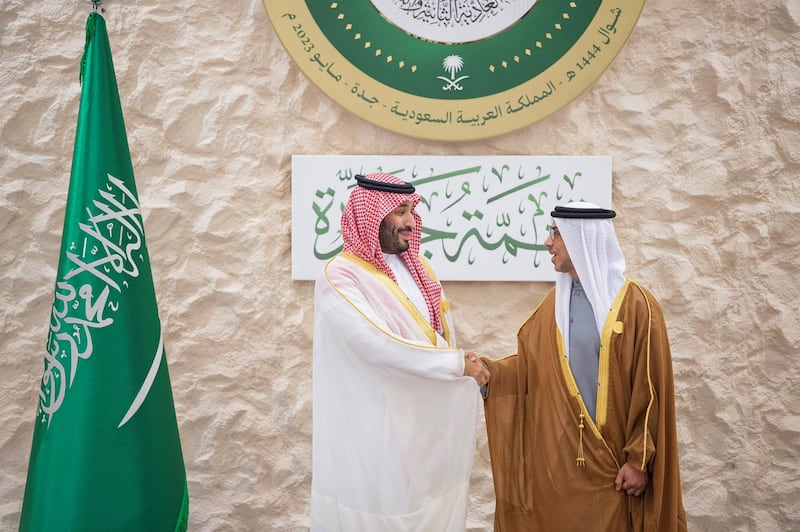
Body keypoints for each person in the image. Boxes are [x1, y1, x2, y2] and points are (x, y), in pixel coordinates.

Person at [482, 202, 686, 531]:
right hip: (562, 467)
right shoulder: (553, 305)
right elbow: (535, 368)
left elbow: (649, 389)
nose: (548, 242)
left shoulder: (636, 306)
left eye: (556, 233)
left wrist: (638, 460)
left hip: (615, 468)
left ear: (582, 239)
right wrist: (491, 373)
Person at [310, 172, 490, 531]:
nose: (411, 222)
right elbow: (378, 345)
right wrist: (456, 364)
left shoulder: (419, 268)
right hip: (371, 431)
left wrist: (461, 362)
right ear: (372, 217)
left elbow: (437, 334)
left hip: (421, 431)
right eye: (400, 212)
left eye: (412, 211)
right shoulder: (340, 276)